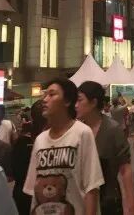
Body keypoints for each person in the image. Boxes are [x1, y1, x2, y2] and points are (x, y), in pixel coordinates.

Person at [23, 78, 103, 215]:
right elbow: (34, 190)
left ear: (67, 101)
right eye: (45, 95)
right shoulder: (40, 140)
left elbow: (92, 187)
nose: (45, 100)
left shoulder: (82, 133)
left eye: (52, 94)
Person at [76, 81, 134, 215]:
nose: (76, 105)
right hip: (83, 200)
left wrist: (131, 205)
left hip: (108, 199)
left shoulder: (112, 129)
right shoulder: (78, 130)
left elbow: (125, 168)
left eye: (80, 100)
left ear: (93, 102)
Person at [11, 101, 45, 215]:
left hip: (22, 192)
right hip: (42, 192)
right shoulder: (49, 139)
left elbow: (14, 170)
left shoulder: (22, 140)